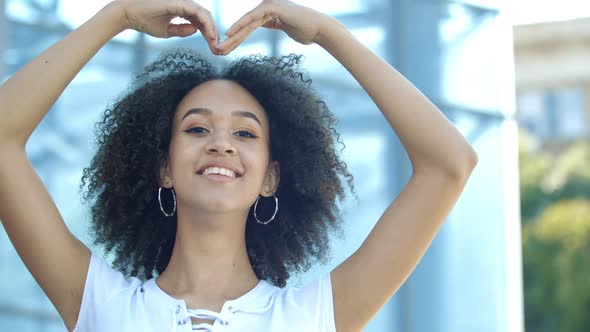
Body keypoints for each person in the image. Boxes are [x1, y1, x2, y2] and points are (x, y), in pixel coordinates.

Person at [0, 0, 479, 331]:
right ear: (164, 168)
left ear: (270, 177)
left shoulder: (312, 317)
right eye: (196, 129)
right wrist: (115, 15)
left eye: (245, 133)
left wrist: (331, 34)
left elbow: (450, 163)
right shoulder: (99, 305)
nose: (221, 145)